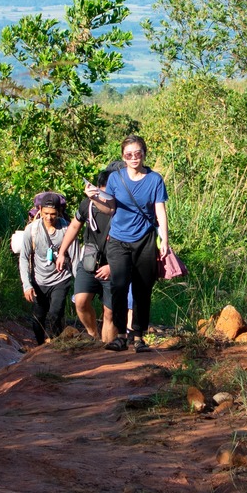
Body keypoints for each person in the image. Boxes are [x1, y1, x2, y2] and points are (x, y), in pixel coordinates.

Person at [102, 136, 169, 353]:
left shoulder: (155, 179)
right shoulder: (115, 178)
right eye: (128, 154)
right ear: (123, 156)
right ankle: (120, 335)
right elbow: (109, 208)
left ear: (144, 153)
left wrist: (165, 239)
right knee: (119, 286)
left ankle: (138, 336)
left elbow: (160, 210)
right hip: (119, 239)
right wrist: (95, 197)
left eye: (137, 153)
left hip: (145, 240)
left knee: (143, 289)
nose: (133, 158)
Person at [72, 158, 124, 341]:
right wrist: (62, 252)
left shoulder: (125, 209)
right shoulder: (88, 204)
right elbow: (74, 227)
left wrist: (112, 266)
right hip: (90, 261)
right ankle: (93, 335)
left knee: (110, 312)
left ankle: (107, 349)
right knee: (80, 301)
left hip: (115, 265)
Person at [18, 191, 76, 345]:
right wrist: (27, 284)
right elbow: (23, 258)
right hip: (39, 280)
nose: (49, 217)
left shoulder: (67, 229)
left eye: (53, 214)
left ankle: (58, 344)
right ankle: (40, 347)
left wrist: (80, 288)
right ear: (40, 211)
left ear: (59, 212)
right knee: (38, 318)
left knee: (55, 313)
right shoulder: (32, 230)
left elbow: (75, 257)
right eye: (46, 213)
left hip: (61, 278)